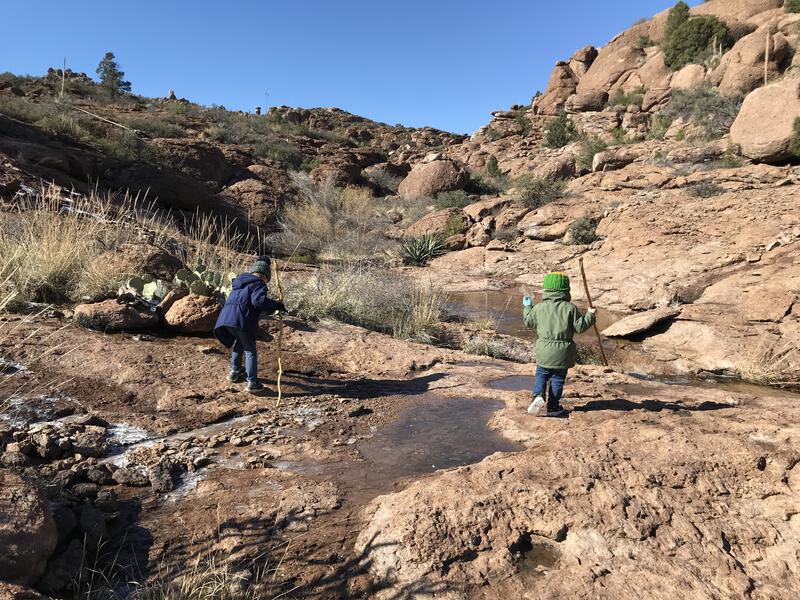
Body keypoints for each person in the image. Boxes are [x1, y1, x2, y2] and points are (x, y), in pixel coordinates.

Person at [522, 272, 596, 417]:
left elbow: (529, 322)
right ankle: (553, 408)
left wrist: (528, 306)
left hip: (543, 351)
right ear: (566, 290)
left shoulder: (539, 307)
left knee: (541, 375)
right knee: (557, 380)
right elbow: (580, 327)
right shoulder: (570, 308)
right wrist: (590, 315)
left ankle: (538, 396)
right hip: (563, 354)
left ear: (546, 289)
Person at [214, 256, 287, 393]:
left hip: (226, 319)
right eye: (267, 279)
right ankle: (252, 382)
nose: (266, 282)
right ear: (265, 276)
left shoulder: (239, 283)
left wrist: (271, 307)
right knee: (250, 350)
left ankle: (234, 372)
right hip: (242, 320)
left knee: (240, 343)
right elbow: (258, 302)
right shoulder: (259, 283)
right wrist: (276, 305)